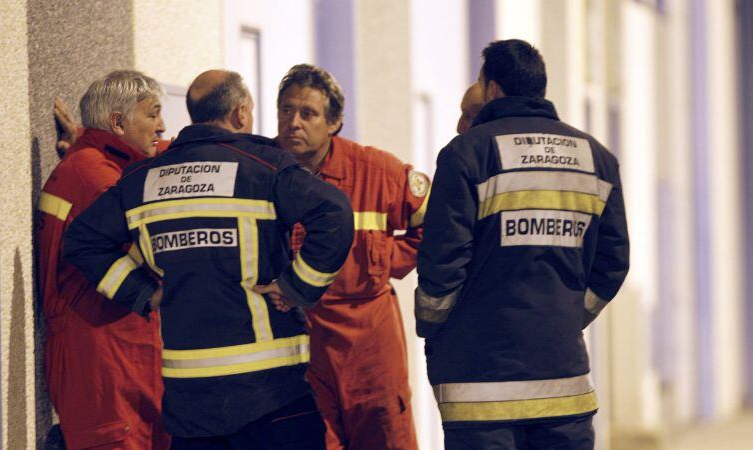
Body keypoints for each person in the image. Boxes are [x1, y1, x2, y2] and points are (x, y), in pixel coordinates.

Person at [63, 69, 354, 450]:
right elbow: (334, 212)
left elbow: (82, 242)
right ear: (241, 114)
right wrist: (296, 286)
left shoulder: (143, 180)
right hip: (272, 395)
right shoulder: (263, 168)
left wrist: (142, 292)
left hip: (190, 407)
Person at [415, 39, 630, 450]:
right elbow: (613, 262)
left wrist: (434, 328)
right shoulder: (597, 159)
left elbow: (443, 261)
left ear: (492, 88)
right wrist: (565, 316)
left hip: (478, 388)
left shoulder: (466, 154)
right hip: (563, 382)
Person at [275, 64, 427, 450]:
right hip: (297, 343)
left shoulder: (377, 172)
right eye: (286, 110)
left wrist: (382, 261)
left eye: (307, 113)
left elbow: (436, 225)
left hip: (370, 347)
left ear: (335, 122)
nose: (293, 122)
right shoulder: (262, 171)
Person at [37, 70, 170, 449]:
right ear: (118, 122)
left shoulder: (89, 164)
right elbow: (148, 258)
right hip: (106, 363)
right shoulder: (100, 179)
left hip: (100, 355)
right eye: (153, 114)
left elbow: (171, 151)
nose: (161, 127)